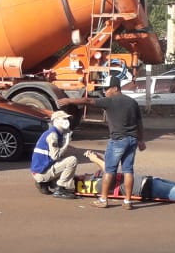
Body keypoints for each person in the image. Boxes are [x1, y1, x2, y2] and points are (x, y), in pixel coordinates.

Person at [58, 75, 146, 210]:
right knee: (128, 170)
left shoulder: (110, 101)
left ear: (115, 88)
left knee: (109, 170)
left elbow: (87, 100)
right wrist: (141, 140)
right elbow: (139, 123)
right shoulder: (132, 102)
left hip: (118, 140)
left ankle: (103, 199)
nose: (106, 92)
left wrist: (69, 101)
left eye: (108, 89)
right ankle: (127, 202)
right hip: (132, 140)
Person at [30, 110, 79, 199]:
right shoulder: (53, 135)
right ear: (56, 121)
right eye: (64, 118)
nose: (66, 121)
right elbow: (55, 156)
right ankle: (60, 189)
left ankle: (45, 183)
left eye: (67, 119)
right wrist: (66, 143)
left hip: (41, 170)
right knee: (72, 160)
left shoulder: (55, 133)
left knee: (69, 169)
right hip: (41, 171)